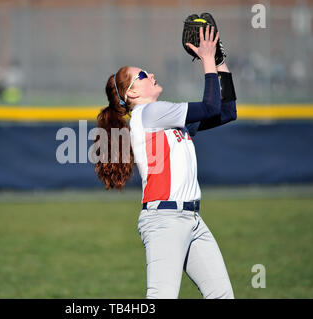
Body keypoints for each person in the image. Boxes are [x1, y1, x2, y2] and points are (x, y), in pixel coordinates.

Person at [94, 25, 237, 298]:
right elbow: (210, 107)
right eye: (144, 75)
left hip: (193, 219)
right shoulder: (150, 114)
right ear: (132, 94)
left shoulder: (166, 118)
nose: (152, 74)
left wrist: (219, 62)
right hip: (165, 220)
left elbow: (227, 111)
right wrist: (207, 60)